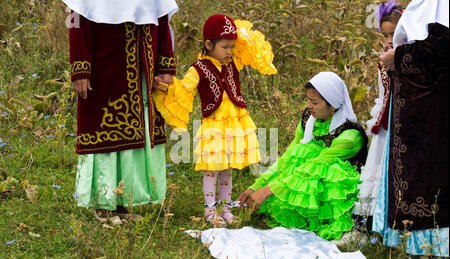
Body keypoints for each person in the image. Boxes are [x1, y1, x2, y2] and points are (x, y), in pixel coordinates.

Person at [153, 15, 277, 227]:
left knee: (227, 167)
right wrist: (166, 88)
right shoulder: (198, 68)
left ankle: (226, 207)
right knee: (212, 168)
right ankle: (210, 209)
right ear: (209, 44)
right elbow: (184, 90)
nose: (229, 51)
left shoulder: (233, 62)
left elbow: (252, 50)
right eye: (225, 46)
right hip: (214, 125)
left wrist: (243, 35)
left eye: (231, 46)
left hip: (235, 124)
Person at [63, 0, 179, 223]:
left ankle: (124, 201)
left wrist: (165, 67)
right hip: (103, 70)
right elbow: (76, 22)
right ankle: (103, 204)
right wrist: (80, 69)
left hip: (144, 70)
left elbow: (162, 19)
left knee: (136, 133)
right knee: (105, 134)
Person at [238, 72, 368, 241]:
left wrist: (268, 191)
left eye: (314, 102)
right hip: (306, 178)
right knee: (300, 154)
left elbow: (313, 170)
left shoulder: (350, 136)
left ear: (333, 106)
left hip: (333, 191)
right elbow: (288, 158)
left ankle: (340, 227)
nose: (309, 106)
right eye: (307, 99)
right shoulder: (310, 120)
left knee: (331, 171)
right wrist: (257, 186)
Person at [378, 0, 449, 259]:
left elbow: (441, 49)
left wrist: (398, 57)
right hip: (417, 110)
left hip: (435, 112)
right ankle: (419, 247)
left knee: (434, 180)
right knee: (417, 178)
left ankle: (440, 256)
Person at [352, 2, 403, 236]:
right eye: (385, 35)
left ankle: (394, 226)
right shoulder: (383, 60)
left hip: (403, 126)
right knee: (374, 171)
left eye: (394, 33)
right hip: (385, 125)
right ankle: (365, 224)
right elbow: (383, 95)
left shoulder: (411, 61)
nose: (389, 40)